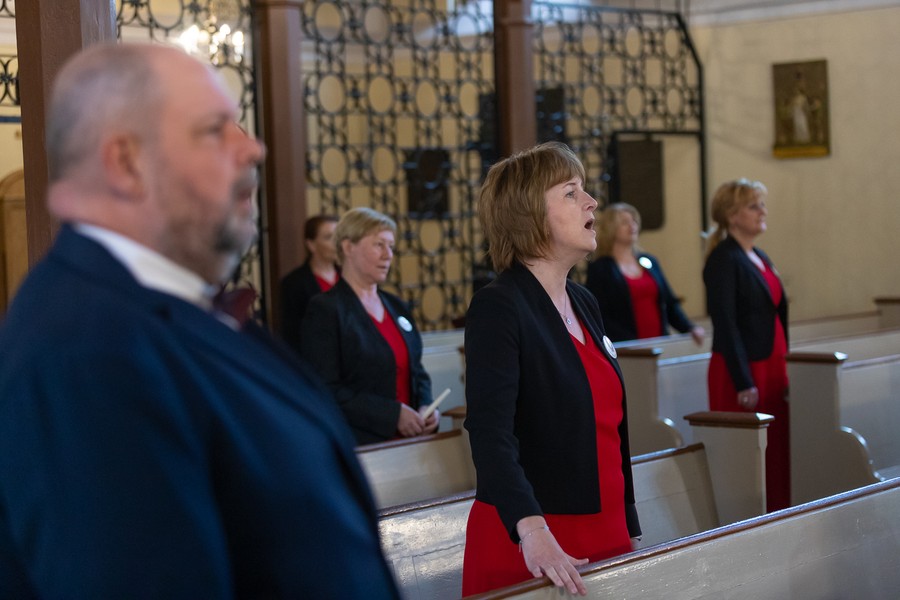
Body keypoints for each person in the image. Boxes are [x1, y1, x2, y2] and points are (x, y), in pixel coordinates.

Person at [0, 43, 398, 598]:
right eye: (215, 129)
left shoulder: (168, 307)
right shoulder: (87, 349)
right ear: (127, 163)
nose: (253, 148)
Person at [462, 142, 641, 597]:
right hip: (537, 540)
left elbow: (612, 429)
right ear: (530, 214)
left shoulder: (584, 302)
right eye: (570, 192)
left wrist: (630, 523)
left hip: (605, 528)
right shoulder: (499, 306)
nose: (591, 201)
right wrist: (531, 530)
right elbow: (490, 432)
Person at [300, 207, 437, 445]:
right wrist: (392, 415)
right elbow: (326, 388)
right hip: (363, 445)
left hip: (412, 443)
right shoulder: (326, 309)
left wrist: (427, 405)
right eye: (379, 245)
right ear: (347, 247)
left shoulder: (397, 306)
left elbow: (417, 371)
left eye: (391, 246)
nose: (388, 255)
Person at [703, 178, 790, 512]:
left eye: (762, 204)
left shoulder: (758, 256)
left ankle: (779, 508)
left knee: (776, 444)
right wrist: (743, 379)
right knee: (748, 452)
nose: (762, 211)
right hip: (744, 368)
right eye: (754, 206)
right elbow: (724, 321)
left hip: (772, 360)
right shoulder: (723, 259)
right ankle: (750, 517)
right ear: (732, 215)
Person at [586, 203, 705, 344]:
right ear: (611, 228)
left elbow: (669, 302)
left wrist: (689, 327)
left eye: (634, 221)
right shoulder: (601, 268)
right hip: (627, 347)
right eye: (625, 222)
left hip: (660, 342)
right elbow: (600, 314)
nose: (632, 226)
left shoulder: (648, 261)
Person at [279, 214, 340, 353]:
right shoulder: (294, 283)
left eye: (339, 236)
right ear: (311, 245)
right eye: (329, 237)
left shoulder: (348, 276)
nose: (337, 243)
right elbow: (291, 333)